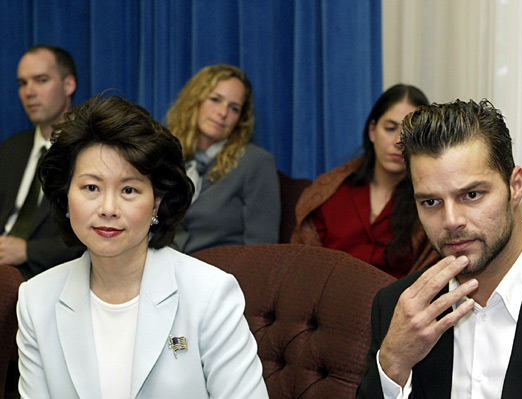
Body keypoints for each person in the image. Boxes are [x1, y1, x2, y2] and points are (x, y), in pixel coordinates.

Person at [16, 95, 268, 398]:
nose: (108, 208)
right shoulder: (36, 300)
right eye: (91, 187)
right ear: (65, 195)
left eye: (129, 189)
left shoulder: (210, 295)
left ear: (156, 203)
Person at [356, 99, 522, 398]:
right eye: (431, 202)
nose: (451, 221)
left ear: (515, 186)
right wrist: (393, 363)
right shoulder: (399, 306)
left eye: (471, 194)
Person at [292, 84, 439, 278]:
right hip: (328, 302)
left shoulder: (431, 202)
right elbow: (303, 262)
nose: (398, 141)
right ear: (372, 130)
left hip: (399, 305)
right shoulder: (330, 191)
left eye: (409, 132)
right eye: (390, 128)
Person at [165, 64, 280, 254]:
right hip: (163, 269)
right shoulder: (166, 155)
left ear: (241, 120)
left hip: (221, 275)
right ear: (195, 100)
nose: (223, 113)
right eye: (215, 100)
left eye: (234, 108)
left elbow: (263, 251)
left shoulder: (256, 162)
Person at [0, 44, 83, 279]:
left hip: (49, 276)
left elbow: (93, 235)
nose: (29, 92)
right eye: (22, 83)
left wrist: (28, 251)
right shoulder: (11, 149)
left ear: (69, 85)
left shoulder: (88, 150)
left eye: (41, 80)